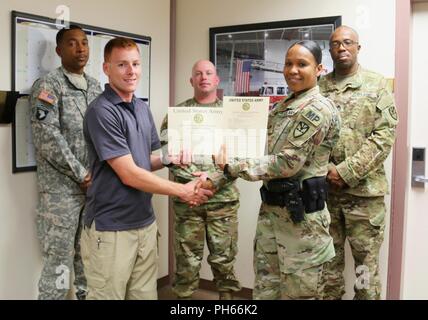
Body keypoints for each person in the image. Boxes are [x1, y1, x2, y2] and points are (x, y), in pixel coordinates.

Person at [81, 38, 212, 300]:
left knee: (144, 295)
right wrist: (182, 191)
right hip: (112, 228)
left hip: (144, 222)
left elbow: (142, 162)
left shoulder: (140, 107)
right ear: (106, 68)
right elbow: (128, 174)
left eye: (136, 64)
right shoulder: (102, 111)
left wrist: (167, 158)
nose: (131, 71)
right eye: (122, 65)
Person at [209, 41, 341, 299]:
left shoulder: (316, 109)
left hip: (301, 224)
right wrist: (216, 177)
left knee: (299, 295)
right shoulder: (282, 107)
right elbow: (260, 153)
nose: (292, 70)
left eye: (302, 64)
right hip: (271, 215)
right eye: (288, 63)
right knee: (265, 292)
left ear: (319, 69)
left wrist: (231, 165)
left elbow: (286, 163)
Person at [319, 26, 398, 300]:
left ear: (358, 48)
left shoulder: (377, 85)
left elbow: (384, 135)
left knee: (365, 271)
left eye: (348, 43)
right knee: (326, 268)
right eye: (336, 44)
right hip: (325, 196)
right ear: (329, 50)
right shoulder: (319, 88)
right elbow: (311, 138)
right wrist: (326, 170)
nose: (341, 48)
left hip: (364, 197)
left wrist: (346, 171)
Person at [30, 25, 102, 300]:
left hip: (93, 189)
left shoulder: (95, 85)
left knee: (88, 259)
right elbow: (48, 138)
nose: (81, 48)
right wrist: (83, 175)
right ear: (59, 51)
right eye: (72, 43)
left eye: (84, 42)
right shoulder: (49, 86)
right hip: (62, 193)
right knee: (58, 266)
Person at [159, 60, 241, 300]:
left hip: (222, 202)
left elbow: (239, 157)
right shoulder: (177, 115)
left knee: (224, 260)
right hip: (188, 203)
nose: (203, 77)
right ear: (191, 81)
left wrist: (212, 180)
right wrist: (193, 185)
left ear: (216, 80)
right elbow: (167, 155)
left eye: (209, 73)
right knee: (186, 261)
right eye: (198, 73)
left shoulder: (231, 116)